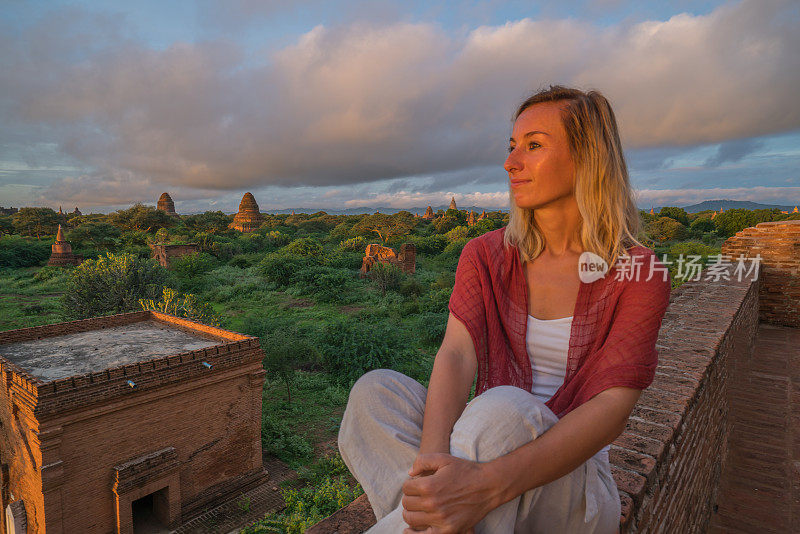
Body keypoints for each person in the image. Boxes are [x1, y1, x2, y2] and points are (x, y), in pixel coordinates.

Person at [338, 86, 671, 533]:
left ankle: (444, 511)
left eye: (534, 145)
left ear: (588, 157)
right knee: (374, 393)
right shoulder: (485, 254)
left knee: (503, 410)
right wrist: (435, 461)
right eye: (512, 146)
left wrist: (487, 485)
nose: (510, 163)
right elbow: (456, 354)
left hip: (569, 481)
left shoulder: (638, 270)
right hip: (482, 439)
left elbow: (613, 407)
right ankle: (439, 512)